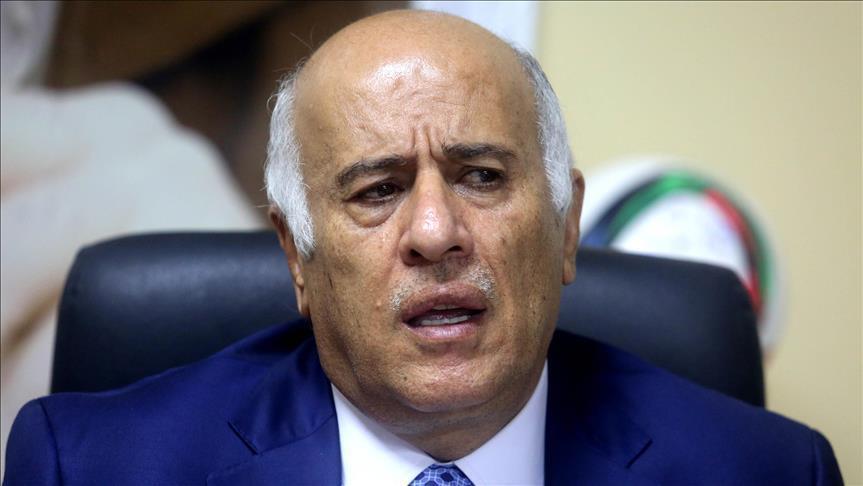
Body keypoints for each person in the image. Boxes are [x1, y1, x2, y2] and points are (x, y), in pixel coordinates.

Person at [3, 10, 842, 486]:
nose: (436, 234)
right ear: (296, 257)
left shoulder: (768, 472)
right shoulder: (91, 468)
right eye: (377, 190)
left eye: (481, 176)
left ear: (565, 227)